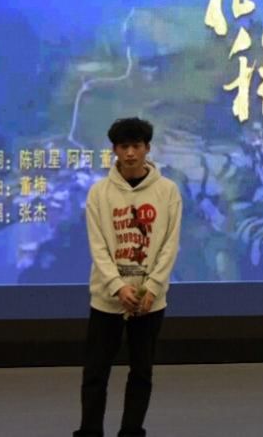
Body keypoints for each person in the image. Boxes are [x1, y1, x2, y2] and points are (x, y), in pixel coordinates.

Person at [75, 117, 183, 437]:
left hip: (150, 301)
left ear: (148, 148)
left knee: (141, 371)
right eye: (124, 147)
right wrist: (117, 286)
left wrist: (153, 287)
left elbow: (170, 244)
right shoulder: (99, 193)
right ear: (114, 150)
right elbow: (98, 246)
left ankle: (132, 431)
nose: (131, 153)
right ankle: (90, 431)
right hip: (107, 299)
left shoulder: (168, 191)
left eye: (137, 146)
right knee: (96, 372)